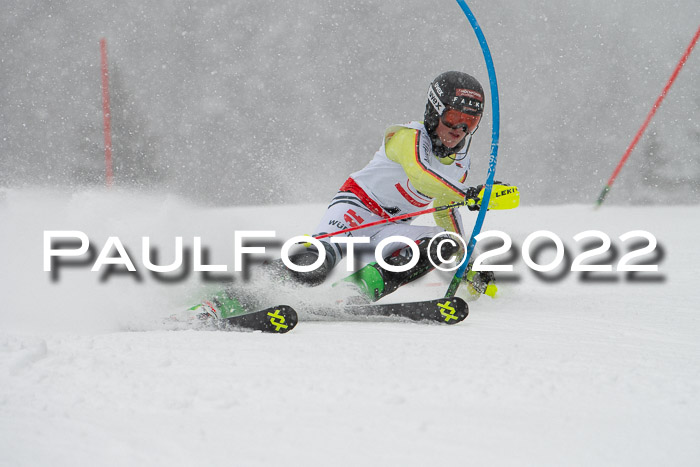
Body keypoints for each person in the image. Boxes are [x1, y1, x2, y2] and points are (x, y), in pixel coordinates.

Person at [267, 70, 498, 302]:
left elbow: (446, 209)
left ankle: (354, 294)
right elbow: (420, 175)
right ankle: (257, 285)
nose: (459, 129)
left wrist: (467, 262)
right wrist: (469, 194)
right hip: (355, 212)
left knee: (446, 243)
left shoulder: (460, 163)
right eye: (453, 117)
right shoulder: (410, 136)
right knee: (315, 266)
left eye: (470, 121)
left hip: (391, 229)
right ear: (435, 110)